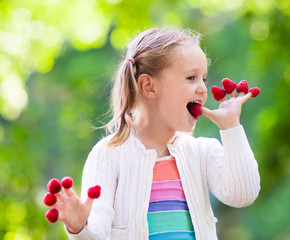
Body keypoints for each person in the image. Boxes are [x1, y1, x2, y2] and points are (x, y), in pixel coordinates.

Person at [52, 26, 260, 240]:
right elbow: (97, 234)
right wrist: (79, 228)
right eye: (191, 78)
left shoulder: (202, 152)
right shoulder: (108, 155)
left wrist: (231, 127)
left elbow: (243, 194)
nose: (203, 89)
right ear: (149, 86)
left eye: (204, 79)